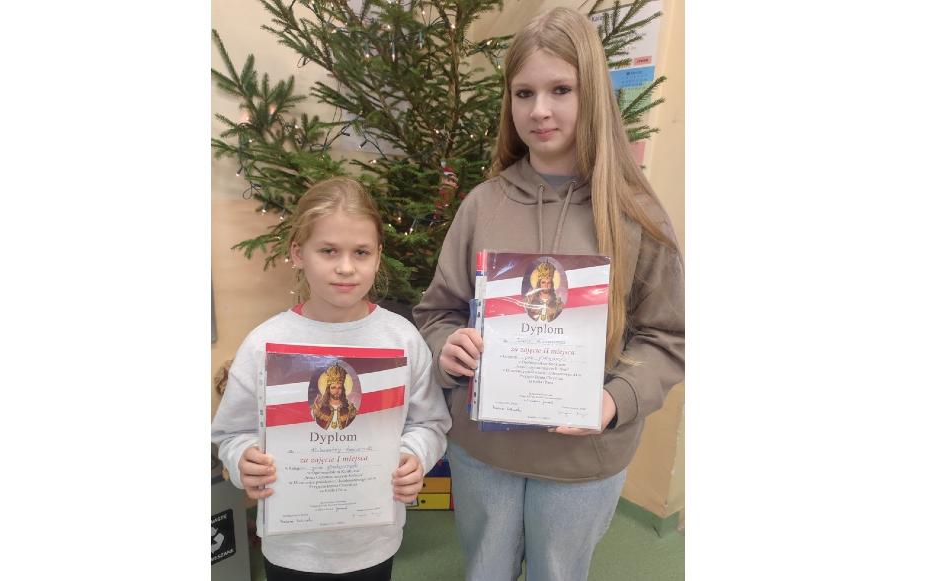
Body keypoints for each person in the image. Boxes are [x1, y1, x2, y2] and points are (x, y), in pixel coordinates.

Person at [412, 7, 684, 581]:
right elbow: (438, 311)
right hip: (484, 450)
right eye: (524, 93)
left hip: (583, 455)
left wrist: (615, 401)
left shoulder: (636, 214)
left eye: (561, 89)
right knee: (485, 569)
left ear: (593, 94)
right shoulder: (482, 205)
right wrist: (446, 347)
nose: (539, 110)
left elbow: (668, 337)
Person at [212, 177, 451, 581]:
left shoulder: (402, 339)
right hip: (293, 546)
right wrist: (242, 459)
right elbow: (231, 433)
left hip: (372, 540)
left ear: (378, 256)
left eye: (361, 252)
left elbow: (429, 423)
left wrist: (414, 456)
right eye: (328, 251)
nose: (345, 267)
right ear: (298, 253)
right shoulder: (264, 343)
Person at [311, 362, 359, 430]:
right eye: (333, 387)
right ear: (328, 389)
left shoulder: (350, 410)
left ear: (343, 389)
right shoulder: (318, 409)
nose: (337, 391)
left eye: (339, 388)